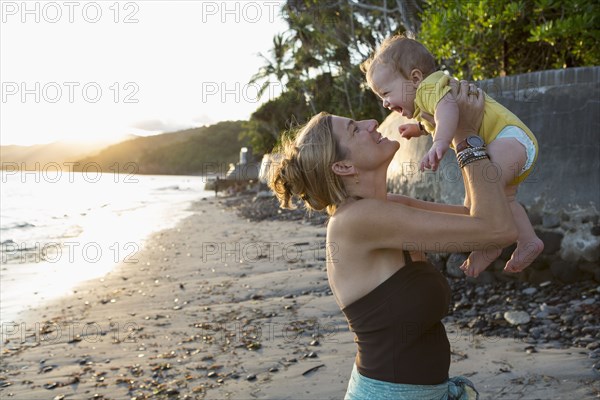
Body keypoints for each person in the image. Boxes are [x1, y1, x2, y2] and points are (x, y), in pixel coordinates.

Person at [268, 80, 517, 399]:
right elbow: (496, 230)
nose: (372, 123)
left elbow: (477, 215)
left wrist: (456, 127)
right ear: (343, 166)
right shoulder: (357, 221)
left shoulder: (388, 207)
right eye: (355, 129)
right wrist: (465, 135)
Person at [360, 35, 543, 278]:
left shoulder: (429, 86)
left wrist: (439, 143)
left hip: (508, 138)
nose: (384, 103)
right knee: (499, 198)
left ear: (414, 78)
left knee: (483, 192)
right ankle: (528, 241)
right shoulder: (427, 101)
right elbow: (439, 117)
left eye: (385, 92)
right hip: (508, 145)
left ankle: (491, 243)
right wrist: (420, 128)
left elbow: (447, 108)